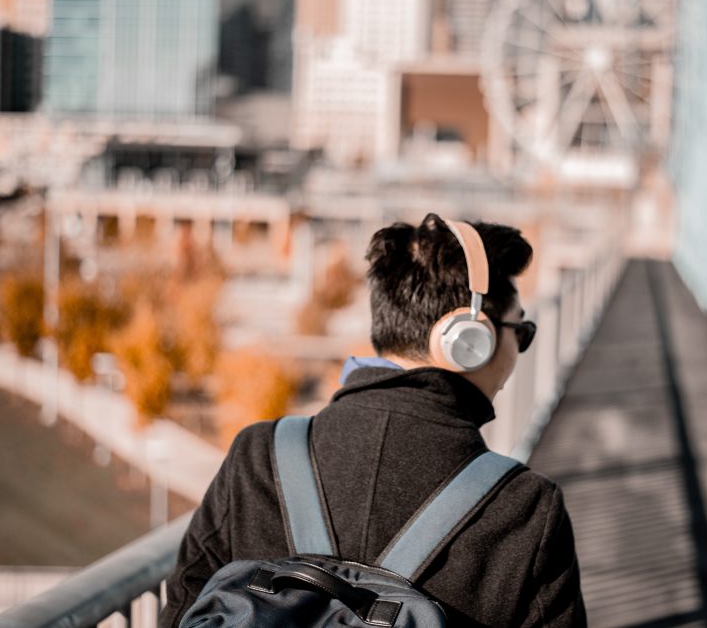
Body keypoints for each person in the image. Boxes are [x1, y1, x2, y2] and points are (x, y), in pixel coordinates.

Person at [160, 213, 586, 627]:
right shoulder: (526, 508)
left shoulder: (258, 456)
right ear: (469, 340)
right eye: (522, 333)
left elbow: (181, 610)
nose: (521, 349)